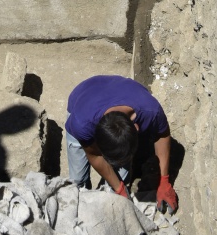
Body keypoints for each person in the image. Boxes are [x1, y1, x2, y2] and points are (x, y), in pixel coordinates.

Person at [65, 74, 178, 214]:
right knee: (77, 179)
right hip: (82, 98)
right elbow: (94, 156)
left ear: (137, 128)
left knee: (120, 176)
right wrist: (119, 189)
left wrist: (164, 180)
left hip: (120, 90)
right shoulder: (82, 125)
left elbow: (162, 134)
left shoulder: (151, 111)